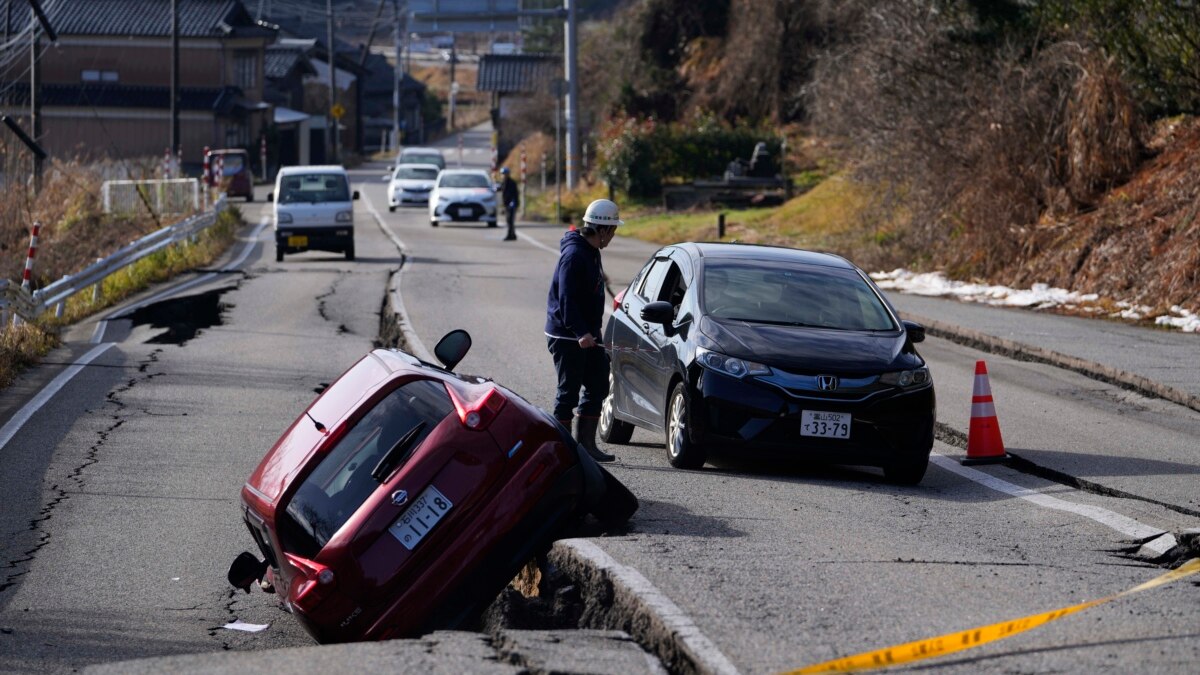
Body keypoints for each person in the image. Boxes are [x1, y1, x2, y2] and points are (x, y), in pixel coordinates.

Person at [545, 198, 622, 462]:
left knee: (599, 384)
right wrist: (580, 333)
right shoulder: (574, 255)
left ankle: (586, 445)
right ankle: (563, 448)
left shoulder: (592, 251)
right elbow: (567, 300)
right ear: (601, 230)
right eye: (612, 232)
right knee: (568, 391)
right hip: (567, 335)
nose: (613, 237)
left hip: (588, 332)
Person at [499, 167, 519, 241]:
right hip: (507, 204)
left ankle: (510, 235)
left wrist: (516, 204)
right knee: (508, 220)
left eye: (504, 174)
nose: (503, 175)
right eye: (502, 174)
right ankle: (513, 234)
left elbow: (515, 194)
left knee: (510, 220)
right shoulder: (503, 183)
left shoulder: (511, 183)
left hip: (512, 203)